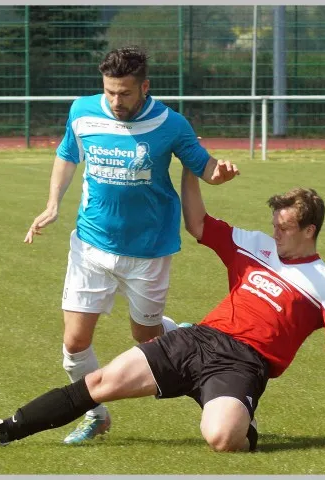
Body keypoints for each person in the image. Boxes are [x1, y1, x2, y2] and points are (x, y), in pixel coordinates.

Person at [0, 171, 325, 452]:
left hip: (243, 363)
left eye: (284, 228)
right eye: (274, 224)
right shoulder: (255, 245)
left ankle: (242, 420)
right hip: (197, 339)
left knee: (222, 439)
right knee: (100, 382)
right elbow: (199, 224)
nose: (274, 233)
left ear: (309, 230)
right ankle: (4, 430)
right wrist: (191, 168)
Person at [23, 45, 238, 444]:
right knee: (74, 342)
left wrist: (219, 173)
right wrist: (52, 204)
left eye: (124, 93)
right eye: (110, 92)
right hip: (90, 245)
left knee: (147, 338)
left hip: (149, 252)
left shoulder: (171, 124)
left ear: (145, 87)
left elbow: (204, 166)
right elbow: (67, 155)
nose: (116, 101)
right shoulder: (82, 111)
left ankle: (186, 336)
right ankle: (95, 415)